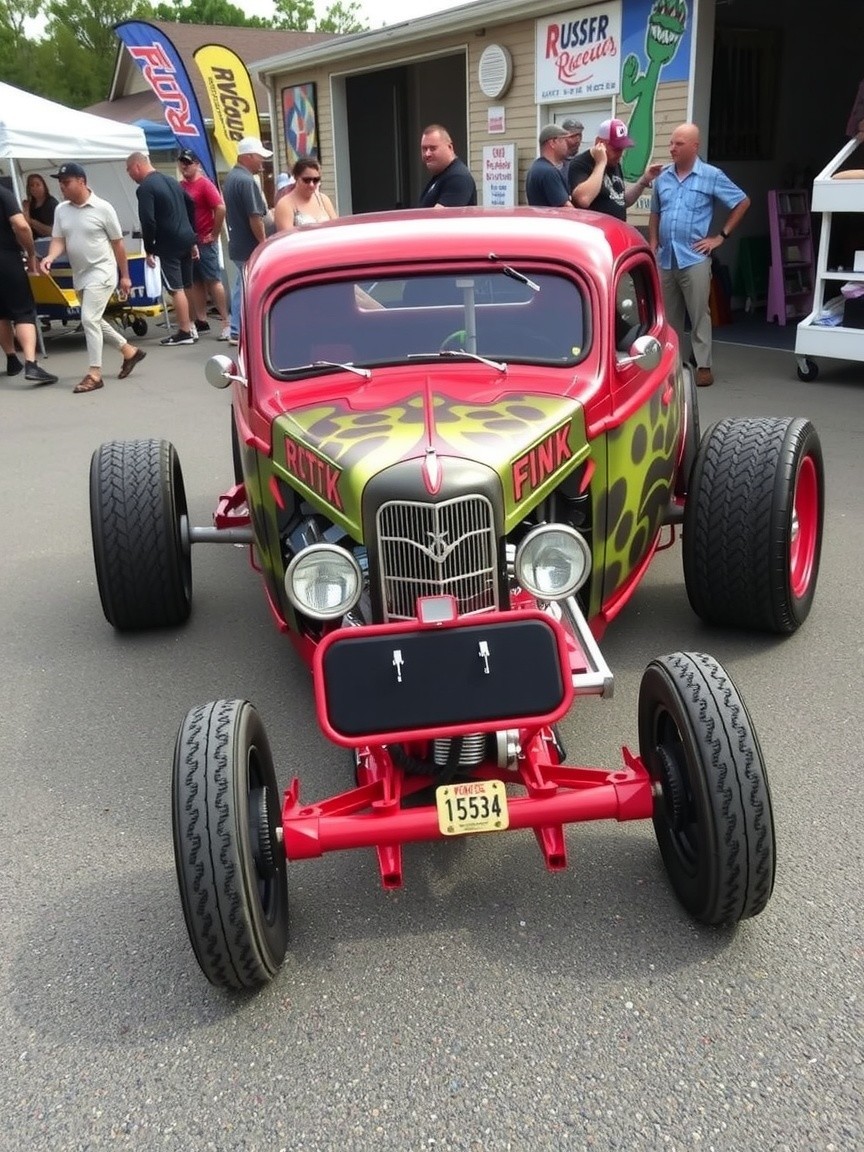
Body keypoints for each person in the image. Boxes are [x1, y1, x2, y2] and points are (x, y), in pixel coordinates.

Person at [648, 122, 750, 388]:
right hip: (666, 258)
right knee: (668, 317)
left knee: (699, 314)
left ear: (695, 146)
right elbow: (655, 212)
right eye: (671, 143)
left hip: (694, 257)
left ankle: (703, 365)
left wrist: (720, 237)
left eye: (679, 144)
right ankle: (672, 366)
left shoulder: (711, 175)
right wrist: (653, 242)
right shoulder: (663, 177)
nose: (672, 148)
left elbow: (742, 201)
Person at [40, 163, 144, 394]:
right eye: (60, 183)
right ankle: (129, 351)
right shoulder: (61, 210)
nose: (62, 187)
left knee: (88, 319)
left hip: (102, 271)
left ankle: (95, 374)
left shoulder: (103, 208)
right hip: (81, 274)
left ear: (82, 181)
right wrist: (50, 257)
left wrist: (125, 276)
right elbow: (59, 239)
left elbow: (118, 244)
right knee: (93, 319)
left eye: (66, 182)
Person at [126, 151, 198, 347]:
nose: (129, 175)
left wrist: (149, 248)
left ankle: (185, 331)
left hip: (168, 242)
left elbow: (148, 220)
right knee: (187, 284)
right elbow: (191, 203)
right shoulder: (172, 181)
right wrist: (192, 234)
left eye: (129, 170)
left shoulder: (145, 188)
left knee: (176, 288)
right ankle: (193, 325)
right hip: (186, 237)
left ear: (137, 166)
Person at [0, 177, 57, 385]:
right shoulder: (3, 194)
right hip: (6, 258)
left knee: (1, 313)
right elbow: (21, 226)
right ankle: (31, 363)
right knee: (23, 310)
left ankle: (11, 359)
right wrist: (31, 252)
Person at [222, 135, 272, 346]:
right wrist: (263, 242)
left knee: (240, 286)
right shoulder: (246, 181)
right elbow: (255, 216)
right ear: (248, 156)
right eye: (259, 156)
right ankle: (237, 329)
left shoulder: (232, 178)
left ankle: (236, 328)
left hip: (238, 243)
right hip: (248, 245)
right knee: (245, 288)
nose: (262, 161)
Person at [177, 148, 231, 340]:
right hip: (189, 240)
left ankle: (226, 322)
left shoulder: (205, 184)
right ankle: (201, 320)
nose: (184, 166)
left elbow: (220, 208)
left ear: (197, 164)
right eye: (182, 162)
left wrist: (214, 234)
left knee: (213, 279)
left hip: (205, 240)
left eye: (188, 162)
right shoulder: (181, 186)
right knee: (196, 281)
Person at [568, 119, 662, 220]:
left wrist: (642, 182)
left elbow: (621, 201)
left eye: (622, 149)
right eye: (616, 149)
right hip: (595, 228)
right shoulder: (580, 164)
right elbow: (583, 200)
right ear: (599, 143)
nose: (620, 154)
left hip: (616, 228)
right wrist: (601, 163)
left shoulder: (615, 164)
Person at [273, 157, 337, 232]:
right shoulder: (285, 205)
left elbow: (336, 227)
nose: (311, 184)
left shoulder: (324, 200)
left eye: (316, 180)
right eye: (306, 180)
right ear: (296, 178)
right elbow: (286, 235)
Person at [418, 125, 477, 207]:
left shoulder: (458, 178)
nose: (427, 154)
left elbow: (441, 214)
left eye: (433, 148)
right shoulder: (441, 176)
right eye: (424, 149)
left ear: (450, 147)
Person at [525, 125, 575, 208]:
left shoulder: (536, 168)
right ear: (552, 143)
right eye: (564, 140)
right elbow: (567, 209)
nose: (567, 145)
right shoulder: (548, 172)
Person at [23, 174, 58, 240]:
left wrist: (32, 222)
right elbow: (25, 225)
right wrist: (26, 210)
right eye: (32, 185)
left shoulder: (51, 203)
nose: (35, 188)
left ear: (44, 186)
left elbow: (53, 231)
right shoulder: (30, 205)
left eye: (38, 185)